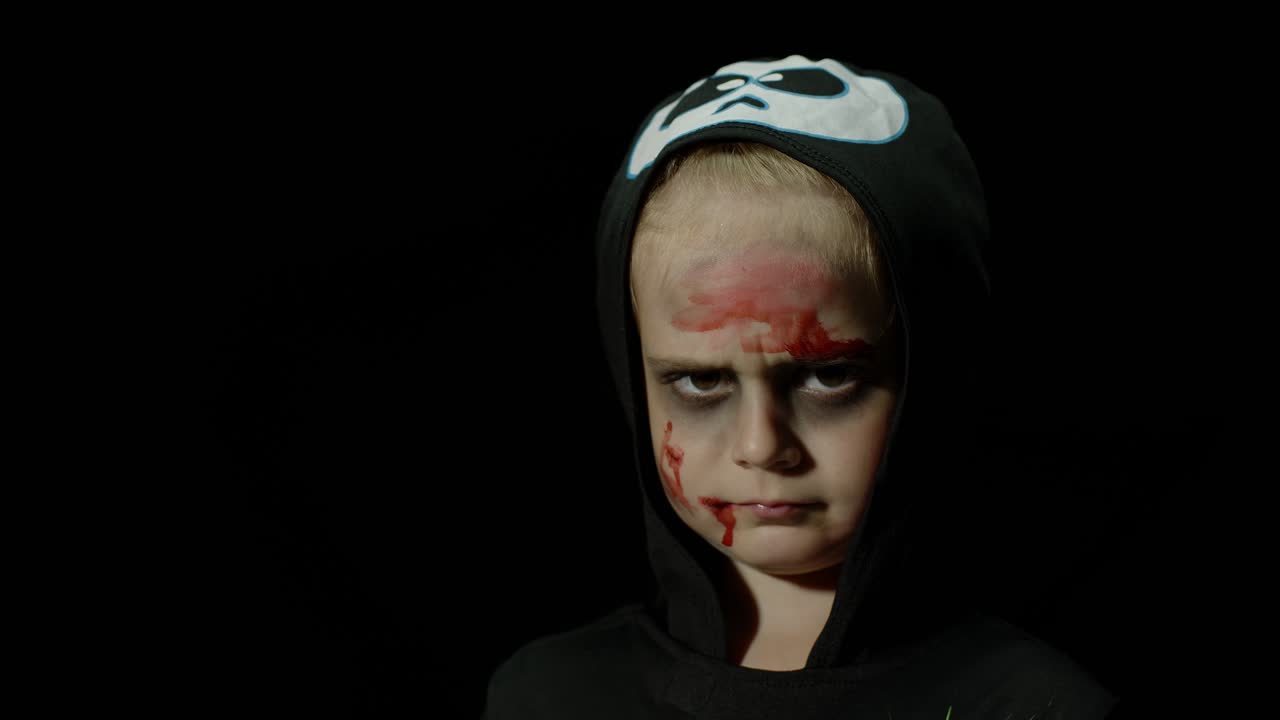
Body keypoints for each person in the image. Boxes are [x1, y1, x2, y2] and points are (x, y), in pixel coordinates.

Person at [483, 54, 1118, 719]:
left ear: (933, 375)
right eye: (701, 380)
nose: (761, 446)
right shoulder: (550, 696)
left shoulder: (1034, 707)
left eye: (829, 375)